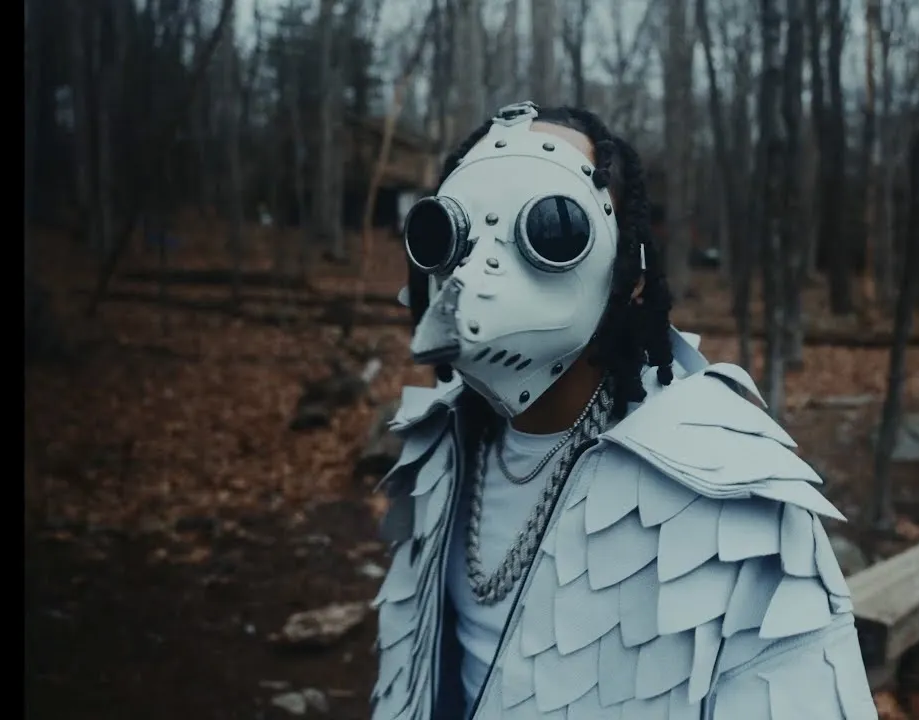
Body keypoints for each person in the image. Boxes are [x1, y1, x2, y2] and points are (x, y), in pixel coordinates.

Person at [370, 101, 876, 720]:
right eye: (452, 234)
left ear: (629, 272)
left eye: (554, 230)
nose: (480, 269)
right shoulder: (437, 446)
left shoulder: (731, 493)